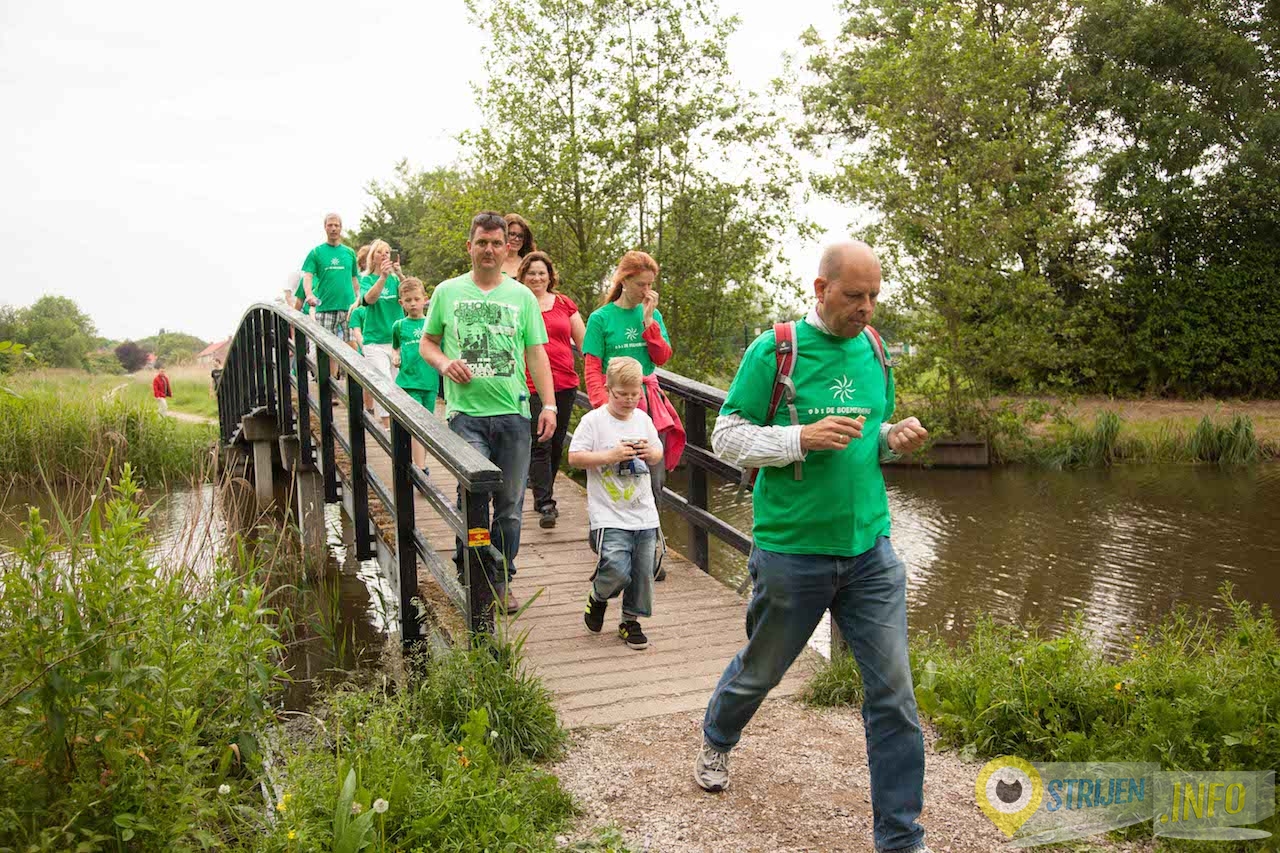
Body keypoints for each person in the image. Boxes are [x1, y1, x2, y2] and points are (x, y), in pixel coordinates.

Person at [693, 241, 932, 853]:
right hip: (792, 549)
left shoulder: (875, 349)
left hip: (869, 549)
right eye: (854, 295)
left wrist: (893, 436)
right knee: (763, 670)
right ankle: (718, 736)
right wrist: (799, 437)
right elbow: (726, 436)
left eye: (874, 296)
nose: (866, 308)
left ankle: (900, 838)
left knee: (894, 697)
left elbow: (868, 434)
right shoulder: (775, 350)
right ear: (821, 289)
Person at [420, 212, 557, 615]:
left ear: (506, 248)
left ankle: (501, 578)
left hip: (514, 413)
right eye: (482, 242)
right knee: (474, 497)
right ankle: (474, 572)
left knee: (510, 507)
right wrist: (445, 363)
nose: (490, 250)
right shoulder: (447, 292)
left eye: (497, 243)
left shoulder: (521, 296)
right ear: (470, 247)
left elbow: (536, 353)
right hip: (465, 414)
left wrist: (548, 405)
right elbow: (427, 343)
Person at [583, 250, 685, 579]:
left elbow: (662, 357)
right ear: (624, 280)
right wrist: (604, 409)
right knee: (613, 479)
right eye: (641, 284)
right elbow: (592, 368)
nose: (647, 290)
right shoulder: (600, 319)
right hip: (614, 404)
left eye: (651, 284)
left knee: (652, 478)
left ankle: (649, 553)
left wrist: (649, 322)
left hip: (648, 404)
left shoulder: (652, 315)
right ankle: (608, 542)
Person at [568, 357, 664, 650]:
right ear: (608, 389)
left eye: (635, 394)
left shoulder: (643, 420)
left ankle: (630, 621)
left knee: (643, 572)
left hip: (644, 513)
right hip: (608, 513)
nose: (629, 400)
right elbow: (574, 457)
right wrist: (610, 456)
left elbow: (658, 452)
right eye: (622, 394)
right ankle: (598, 596)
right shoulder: (593, 421)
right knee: (618, 569)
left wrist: (650, 452)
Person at [517, 251, 585, 529]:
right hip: (531, 384)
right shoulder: (517, 303)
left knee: (556, 443)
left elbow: (584, 342)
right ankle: (545, 502)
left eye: (541, 273)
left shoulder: (564, 304)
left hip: (565, 384)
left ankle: (542, 491)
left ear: (549, 276)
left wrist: (606, 371)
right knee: (541, 442)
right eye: (531, 273)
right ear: (523, 276)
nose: (536, 278)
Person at [391, 278, 439, 474]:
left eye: (416, 299)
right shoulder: (399, 326)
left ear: (425, 300)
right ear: (401, 302)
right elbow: (395, 347)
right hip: (409, 382)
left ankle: (419, 463)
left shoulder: (432, 324)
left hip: (430, 382)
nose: (413, 304)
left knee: (427, 426)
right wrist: (395, 356)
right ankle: (420, 468)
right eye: (408, 300)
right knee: (418, 423)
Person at [359, 240, 405, 428]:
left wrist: (399, 273)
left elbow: (411, 295)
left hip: (395, 341)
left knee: (398, 384)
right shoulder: (367, 279)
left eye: (387, 252)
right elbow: (368, 300)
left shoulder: (396, 280)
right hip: (375, 341)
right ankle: (387, 427)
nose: (384, 255)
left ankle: (399, 425)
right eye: (380, 252)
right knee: (384, 383)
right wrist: (383, 277)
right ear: (373, 257)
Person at [299, 213, 361, 345]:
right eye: (330, 225)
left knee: (352, 346)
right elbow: (308, 276)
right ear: (325, 227)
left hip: (348, 307)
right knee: (327, 348)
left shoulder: (349, 252)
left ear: (341, 228)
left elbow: (354, 278)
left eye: (336, 226)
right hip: (325, 306)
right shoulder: (316, 252)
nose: (333, 229)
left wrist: (358, 298)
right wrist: (309, 294)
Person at [500, 213, 536, 279]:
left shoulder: (529, 263)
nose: (516, 239)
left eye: (520, 236)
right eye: (512, 234)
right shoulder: (493, 262)